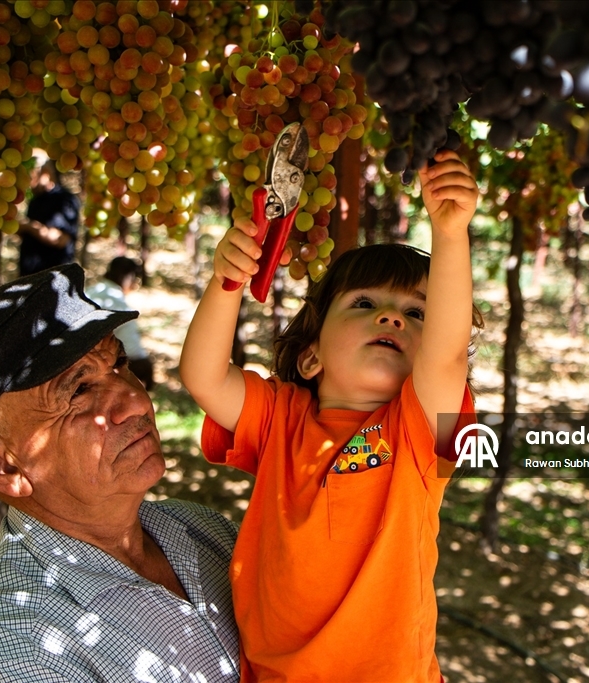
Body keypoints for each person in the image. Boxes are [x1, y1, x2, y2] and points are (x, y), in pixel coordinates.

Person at [180, 149, 481, 682]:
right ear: (311, 356)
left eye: (417, 313)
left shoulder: (415, 433)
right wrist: (227, 282)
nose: (392, 316)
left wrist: (451, 234)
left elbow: (446, 356)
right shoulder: (280, 417)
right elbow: (204, 377)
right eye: (364, 303)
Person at [0, 264, 240, 682]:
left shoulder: (201, 531)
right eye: (80, 390)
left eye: (119, 363)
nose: (137, 402)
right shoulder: (13, 659)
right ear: (2, 466)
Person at [86, 256, 155, 390]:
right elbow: (133, 350)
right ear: (128, 278)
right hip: (107, 364)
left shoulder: (90, 291)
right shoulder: (118, 303)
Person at [17, 158, 81, 276]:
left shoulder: (64, 200)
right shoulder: (35, 201)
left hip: (54, 279)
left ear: (45, 174)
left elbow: (60, 239)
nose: (27, 180)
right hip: (29, 278)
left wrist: (29, 226)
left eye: (31, 174)